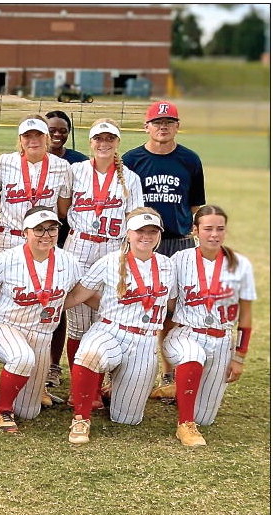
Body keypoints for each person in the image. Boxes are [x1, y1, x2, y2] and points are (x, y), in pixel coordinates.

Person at [0, 115, 72, 404]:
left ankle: (37, 382)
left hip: (42, 239)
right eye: (27, 136)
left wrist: (42, 229)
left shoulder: (61, 167)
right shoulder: (4, 162)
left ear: (47, 138)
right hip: (10, 236)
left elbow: (63, 207)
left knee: (40, 305)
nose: (33, 141)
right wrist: (10, 217)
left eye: (38, 135)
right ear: (20, 139)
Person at [63, 208, 177, 444]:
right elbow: (78, 295)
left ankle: (114, 387)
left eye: (152, 231)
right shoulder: (109, 261)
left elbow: (173, 304)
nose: (146, 236)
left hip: (145, 341)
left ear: (160, 234)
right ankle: (81, 417)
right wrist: (41, 309)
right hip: (110, 330)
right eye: (140, 231)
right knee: (89, 354)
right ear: (128, 233)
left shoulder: (168, 265)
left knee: (127, 418)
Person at [123, 101, 206, 399]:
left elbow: (196, 203)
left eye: (169, 121)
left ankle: (170, 371)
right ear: (146, 126)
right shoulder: (132, 159)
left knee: (176, 307)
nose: (163, 126)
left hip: (178, 240)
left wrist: (197, 234)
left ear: (177, 125)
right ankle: (123, 368)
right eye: (157, 122)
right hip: (142, 242)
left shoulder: (189, 159)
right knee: (136, 300)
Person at [59, 120, 143, 404]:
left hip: (112, 247)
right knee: (78, 323)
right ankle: (79, 388)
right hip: (80, 243)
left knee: (107, 318)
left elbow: (135, 219)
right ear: (90, 142)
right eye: (99, 138)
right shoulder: (75, 170)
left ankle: (97, 385)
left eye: (110, 138)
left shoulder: (129, 177)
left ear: (118, 142)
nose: (104, 143)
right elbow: (63, 207)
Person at [0, 207, 81, 434]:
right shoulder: (6, 260)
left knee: (29, 411)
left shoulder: (69, 261)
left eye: (52, 229)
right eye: (39, 229)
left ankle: (13, 396)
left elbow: (79, 294)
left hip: (42, 334)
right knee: (21, 358)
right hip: (5, 325)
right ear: (25, 232)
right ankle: (2, 410)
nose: (46, 235)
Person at [163, 205, 255, 446]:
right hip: (187, 333)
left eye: (220, 229)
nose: (214, 234)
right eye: (208, 229)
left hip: (223, 340)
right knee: (192, 356)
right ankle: (185, 425)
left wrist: (239, 357)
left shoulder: (239, 264)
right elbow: (169, 302)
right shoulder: (180, 259)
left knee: (205, 417)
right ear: (195, 230)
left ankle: (179, 389)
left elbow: (246, 315)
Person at [42, 109, 89, 391]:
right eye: (52, 129)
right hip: (36, 235)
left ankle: (53, 365)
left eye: (63, 130)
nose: (57, 134)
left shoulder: (78, 162)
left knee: (58, 305)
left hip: (66, 237)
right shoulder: (31, 158)